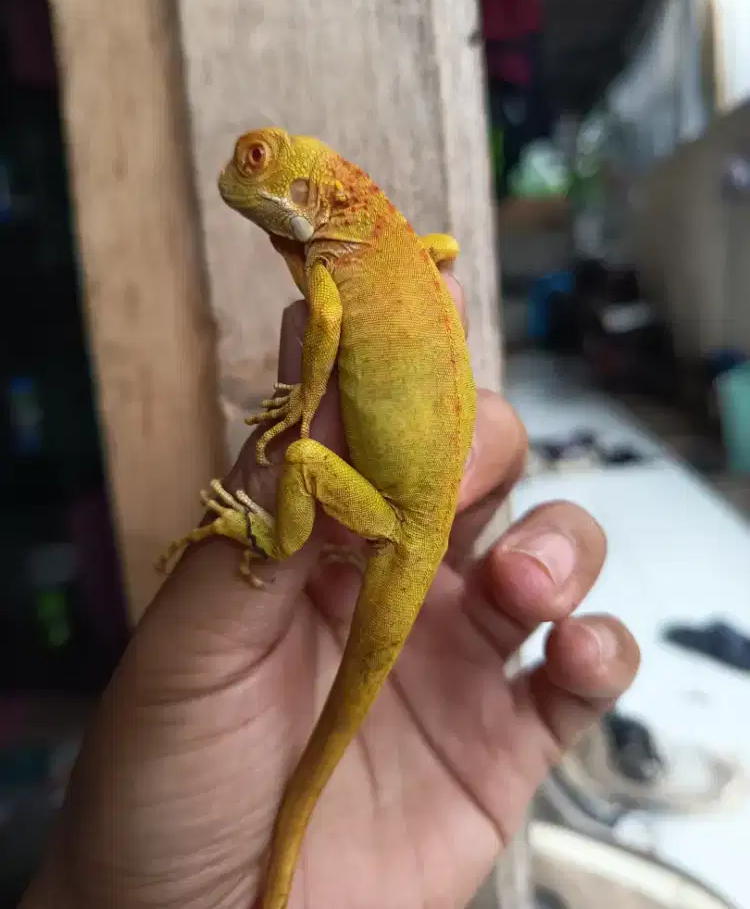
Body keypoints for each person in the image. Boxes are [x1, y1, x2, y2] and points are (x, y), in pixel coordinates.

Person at [22, 279, 639, 909]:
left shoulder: (334, 267)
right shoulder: (356, 259)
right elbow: (425, 265)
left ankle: (272, 536)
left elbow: (332, 320)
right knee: (312, 460)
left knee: (305, 460)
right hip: (391, 527)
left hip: (393, 524)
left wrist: (305, 401)